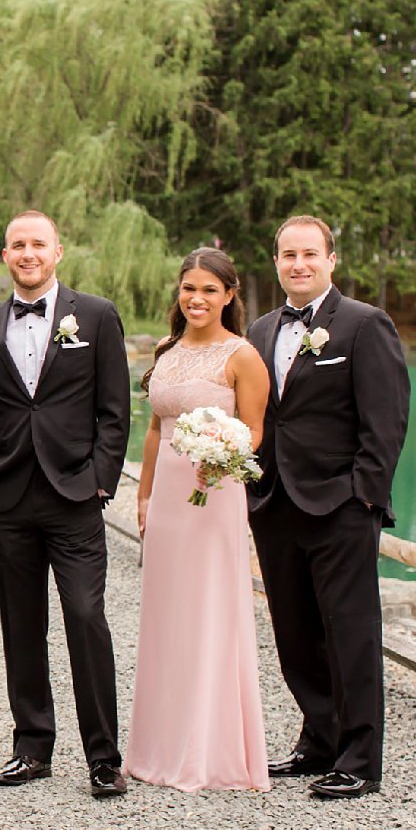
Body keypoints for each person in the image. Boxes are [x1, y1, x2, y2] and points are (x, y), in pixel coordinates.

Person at [246, 215, 409, 800]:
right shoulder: (261, 330)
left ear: (331, 260)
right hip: (274, 504)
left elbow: (386, 421)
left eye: (310, 254)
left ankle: (361, 758)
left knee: (351, 635)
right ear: (276, 262)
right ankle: (319, 741)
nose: (299, 264)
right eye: (288, 254)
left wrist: (363, 495)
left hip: (340, 505)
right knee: (295, 634)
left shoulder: (365, 325)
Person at [0, 210, 132, 797]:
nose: (28, 253)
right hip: (7, 496)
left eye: (38, 243)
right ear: (6, 255)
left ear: (57, 251)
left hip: (74, 497)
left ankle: (104, 757)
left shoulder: (96, 315)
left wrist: (99, 480)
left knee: (87, 619)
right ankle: (32, 746)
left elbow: (115, 411)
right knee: (21, 624)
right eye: (17, 245)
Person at [124, 247, 271, 793]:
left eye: (210, 289)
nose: (197, 298)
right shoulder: (167, 351)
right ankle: (158, 747)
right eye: (190, 288)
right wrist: (142, 496)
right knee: (167, 616)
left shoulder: (242, 357)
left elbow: (254, 432)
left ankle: (207, 753)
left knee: (209, 613)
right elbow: (158, 431)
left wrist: (221, 455)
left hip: (215, 494)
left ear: (229, 296)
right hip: (166, 500)